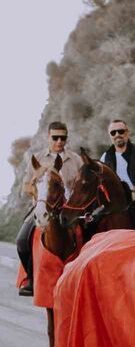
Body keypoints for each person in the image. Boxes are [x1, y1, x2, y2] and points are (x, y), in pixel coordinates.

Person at [17, 121, 83, 295]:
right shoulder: (37, 159)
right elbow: (26, 186)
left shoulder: (76, 159)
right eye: (55, 137)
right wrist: (40, 196)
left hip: (69, 208)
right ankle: (31, 279)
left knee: (91, 235)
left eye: (63, 138)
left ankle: (88, 275)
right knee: (22, 240)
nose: (59, 141)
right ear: (48, 138)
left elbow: (82, 186)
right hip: (42, 207)